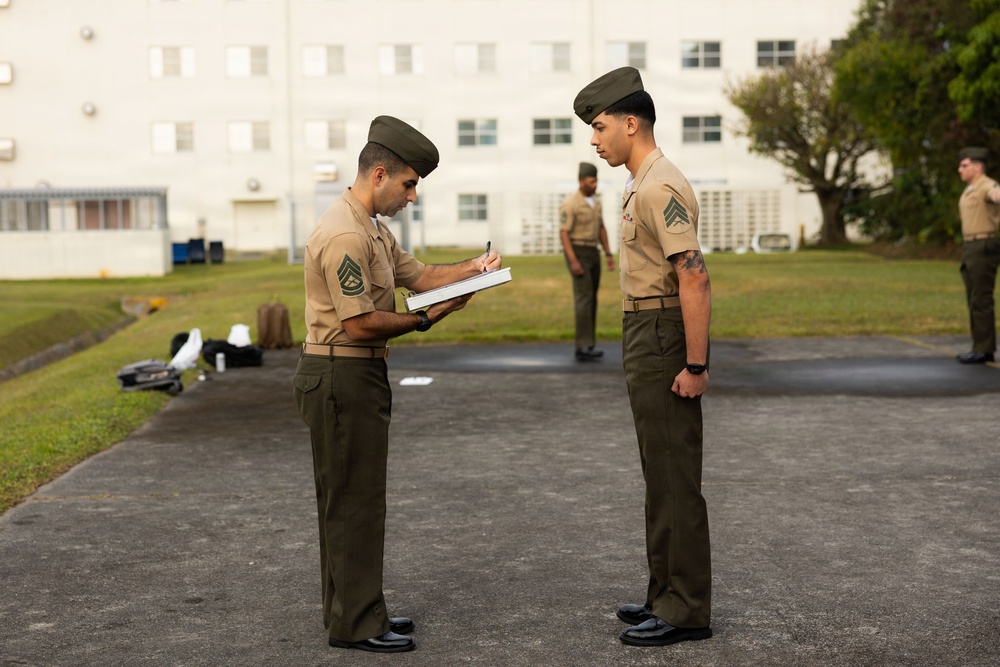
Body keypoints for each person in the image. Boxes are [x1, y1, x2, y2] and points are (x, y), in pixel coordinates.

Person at [292, 115, 502, 654]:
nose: (412, 196)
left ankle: (356, 611)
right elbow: (360, 322)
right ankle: (356, 623)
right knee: (352, 500)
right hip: (341, 372)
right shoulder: (343, 233)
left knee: (354, 497)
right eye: (409, 185)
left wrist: (477, 268)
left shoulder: (372, 229)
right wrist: (427, 320)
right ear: (379, 174)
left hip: (356, 373)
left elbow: (423, 276)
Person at [574, 67, 713, 647]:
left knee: (675, 473)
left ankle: (685, 611)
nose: (594, 138)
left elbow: (695, 278)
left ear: (632, 124)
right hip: (644, 330)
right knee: (659, 470)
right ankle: (665, 592)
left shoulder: (660, 184)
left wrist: (697, 365)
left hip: (662, 335)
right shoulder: (638, 182)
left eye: (600, 126)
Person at [559, 161, 616, 361]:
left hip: (593, 251)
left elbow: (601, 228)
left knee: (592, 298)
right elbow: (564, 233)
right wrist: (573, 261)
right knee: (584, 299)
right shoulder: (571, 203)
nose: (595, 185)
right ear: (581, 181)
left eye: (596, 181)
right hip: (578, 250)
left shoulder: (595, 202)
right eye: (592, 181)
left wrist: (608, 254)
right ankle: (582, 347)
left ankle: (589, 344)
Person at [956, 146, 1000, 364]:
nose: (959, 169)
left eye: (964, 165)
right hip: (971, 247)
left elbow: (996, 194)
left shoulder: (986, 186)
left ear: (977, 166)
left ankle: (983, 349)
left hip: (983, 244)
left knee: (980, 298)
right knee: (973, 298)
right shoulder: (970, 189)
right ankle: (980, 346)